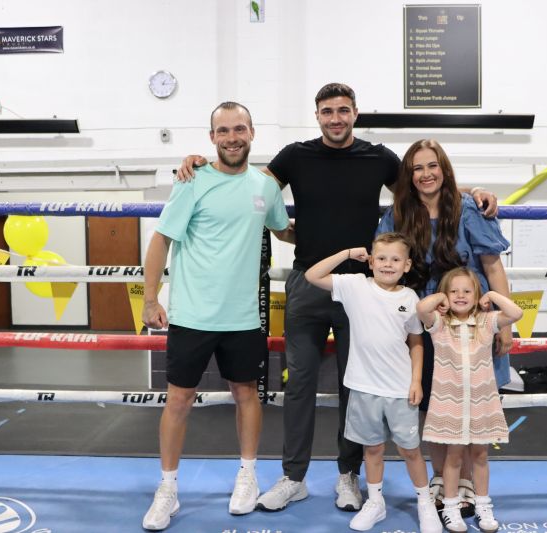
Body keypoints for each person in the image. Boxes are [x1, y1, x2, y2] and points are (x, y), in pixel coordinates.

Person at [176, 83, 498, 513]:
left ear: (355, 113)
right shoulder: (295, 155)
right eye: (327, 111)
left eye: (343, 110)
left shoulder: (378, 157)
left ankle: (349, 475)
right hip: (310, 283)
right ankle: (294, 477)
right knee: (299, 384)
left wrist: (472, 192)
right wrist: (200, 163)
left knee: (357, 387)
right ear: (317, 115)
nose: (335, 118)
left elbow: (426, 182)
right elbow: (248, 181)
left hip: (366, 291)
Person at [141, 101, 290, 530]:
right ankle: (167, 489)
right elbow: (160, 242)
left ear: (252, 132)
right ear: (211, 138)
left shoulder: (264, 186)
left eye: (239, 128)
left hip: (242, 317)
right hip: (190, 314)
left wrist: (339, 232)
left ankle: (248, 475)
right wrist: (151, 300)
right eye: (222, 131)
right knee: (179, 401)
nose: (231, 137)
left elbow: (284, 229)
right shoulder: (193, 180)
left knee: (247, 395)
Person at [375, 139, 512, 519]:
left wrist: (504, 326)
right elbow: (385, 267)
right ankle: (442, 478)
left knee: (471, 400)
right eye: (417, 168)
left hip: (471, 322)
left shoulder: (468, 208)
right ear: (409, 175)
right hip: (424, 322)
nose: (426, 174)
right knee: (436, 404)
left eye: (432, 166)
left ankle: (467, 479)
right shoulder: (399, 213)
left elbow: (493, 266)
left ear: (444, 169)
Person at [304, 232, 442, 533]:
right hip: (364, 387)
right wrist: (347, 252)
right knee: (373, 450)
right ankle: (375, 501)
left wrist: (416, 380)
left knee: (410, 450)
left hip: (400, 388)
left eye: (395, 259)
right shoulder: (355, 286)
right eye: (381, 258)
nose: (387, 264)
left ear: (406, 265)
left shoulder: (409, 298)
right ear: (371, 261)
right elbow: (313, 275)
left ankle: (424, 503)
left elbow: (416, 343)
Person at [416, 267, 523, 533]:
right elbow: (421, 308)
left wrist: (492, 295)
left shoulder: (487, 322)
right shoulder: (439, 324)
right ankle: (451, 508)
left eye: (467, 291)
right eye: (454, 291)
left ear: (476, 295)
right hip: (449, 404)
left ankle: (484, 505)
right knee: (453, 457)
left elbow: (516, 313)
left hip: (481, 403)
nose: (460, 296)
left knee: (480, 455)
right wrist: (441, 296)